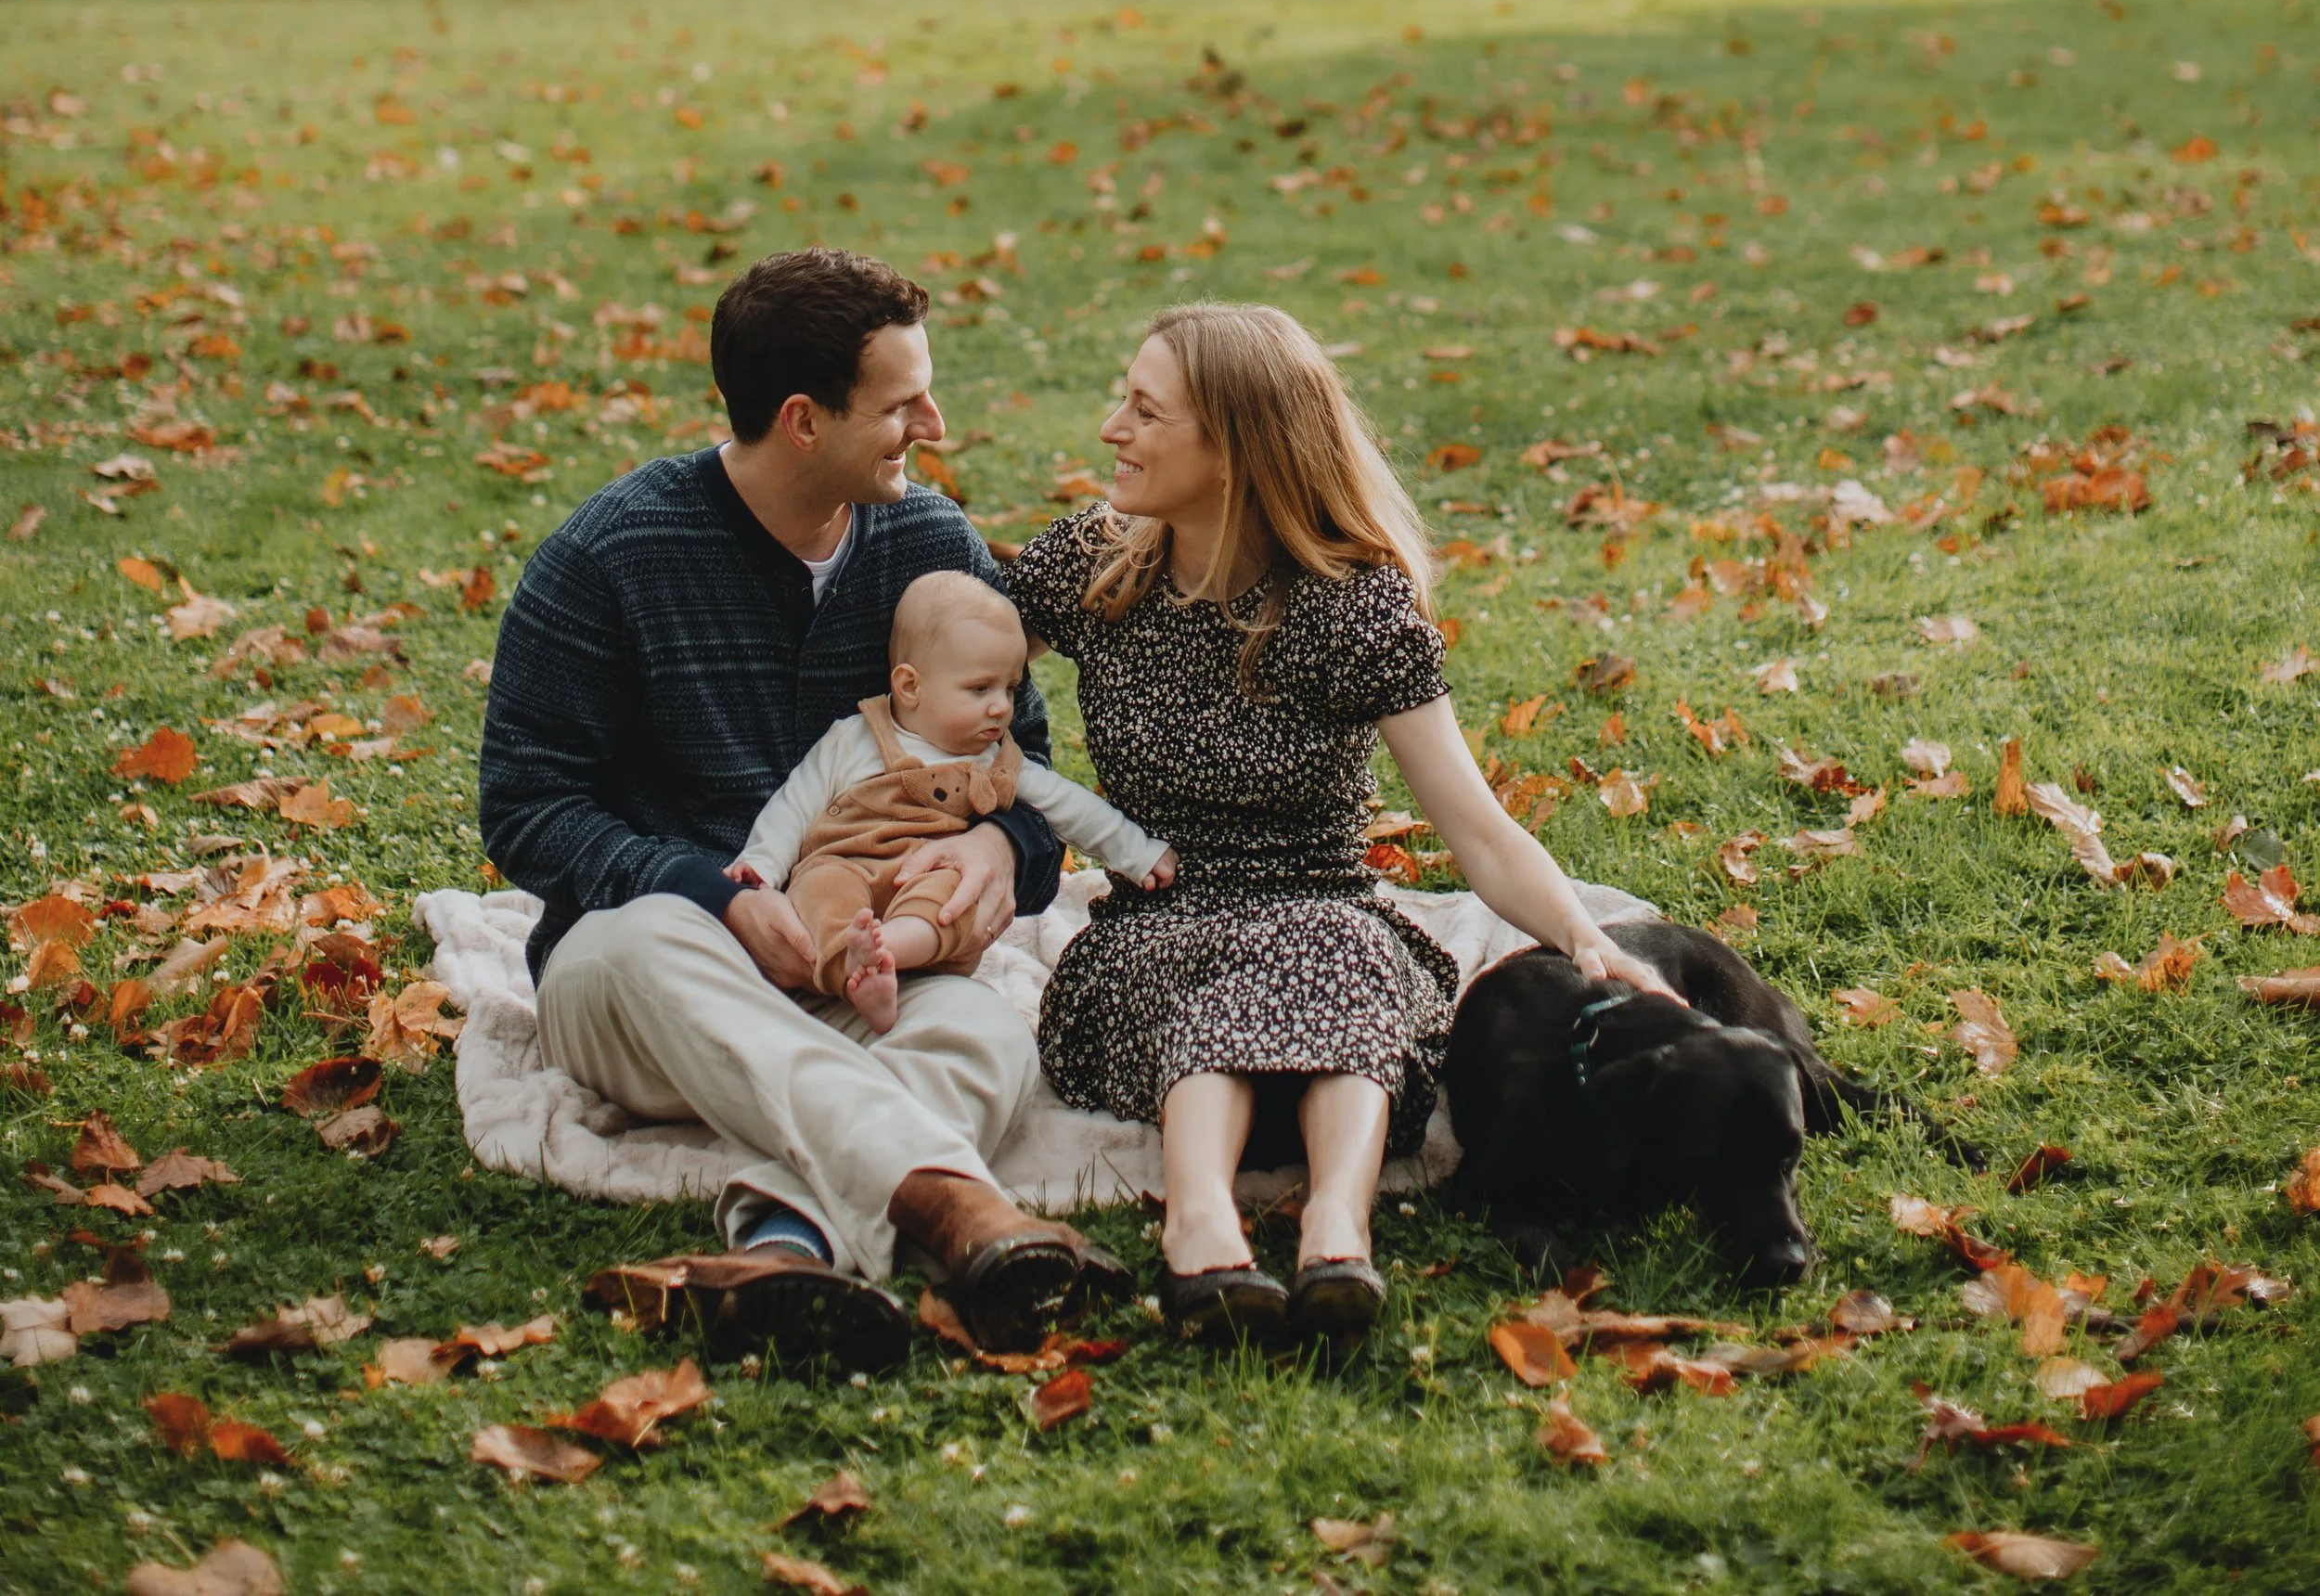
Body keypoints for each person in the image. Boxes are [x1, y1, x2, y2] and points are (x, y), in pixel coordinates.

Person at [478, 246, 1128, 1371]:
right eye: (900, 401)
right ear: (802, 421)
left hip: (867, 962)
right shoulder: (611, 556)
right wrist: (701, 892)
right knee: (646, 940)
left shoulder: (930, 545)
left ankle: (786, 1251)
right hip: (653, 978)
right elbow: (527, 807)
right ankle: (958, 1211)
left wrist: (998, 840)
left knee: (985, 1039)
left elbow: (1019, 763)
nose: (930, 421)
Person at [1002, 301, 1674, 1346]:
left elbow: (1477, 828)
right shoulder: (1097, 564)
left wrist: (1584, 938)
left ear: (1232, 449)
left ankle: (1334, 1238)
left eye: (1143, 410)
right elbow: (945, 663)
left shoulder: (1350, 608)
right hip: (1152, 933)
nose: (1110, 432)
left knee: (1332, 945)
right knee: (1232, 965)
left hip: (1327, 928)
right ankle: (1201, 1229)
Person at [728, 568, 1176, 1030]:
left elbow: (1073, 808)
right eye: (981, 688)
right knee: (821, 887)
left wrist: (1141, 854)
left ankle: (889, 953)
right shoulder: (856, 736)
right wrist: (760, 863)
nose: (1002, 706)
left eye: (1011, 688)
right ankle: (855, 971)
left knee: (953, 897)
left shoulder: (996, 762)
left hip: (929, 869)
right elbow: (796, 803)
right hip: (846, 861)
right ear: (910, 686)